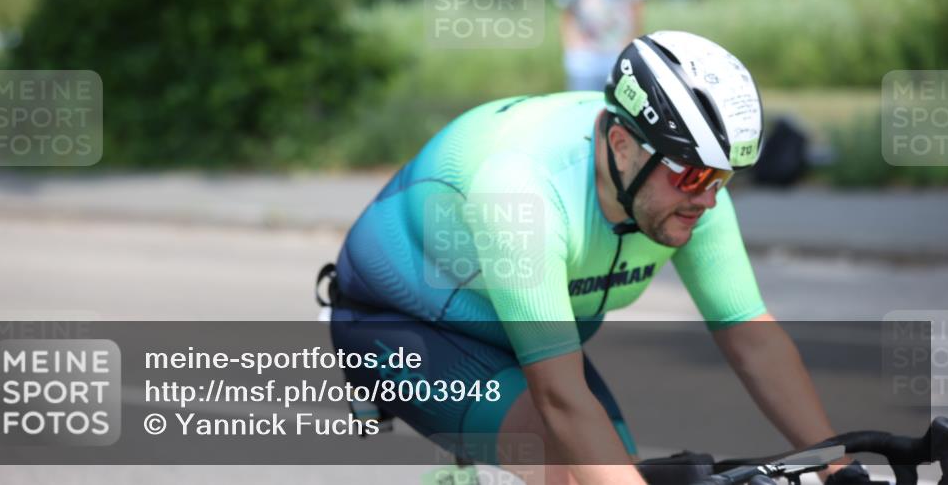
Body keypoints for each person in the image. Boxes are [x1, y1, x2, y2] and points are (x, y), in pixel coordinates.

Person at [322, 31, 862, 485]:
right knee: (574, 473)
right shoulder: (521, 191)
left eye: (723, 177)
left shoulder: (678, 185)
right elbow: (560, 399)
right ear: (624, 146)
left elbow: (750, 337)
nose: (708, 198)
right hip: (403, 323)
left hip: (512, 326)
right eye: (694, 176)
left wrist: (836, 467)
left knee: (621, 471)